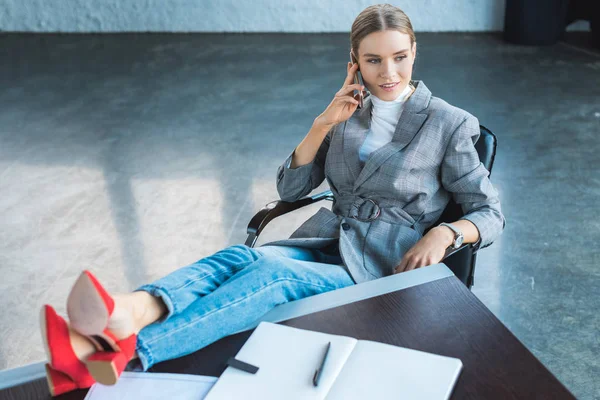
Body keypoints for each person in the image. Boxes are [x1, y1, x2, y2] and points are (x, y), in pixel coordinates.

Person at [39, 4, 505, 396]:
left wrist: (446, 232)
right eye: (374, 60)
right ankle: (123, 314)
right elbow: (290, 191)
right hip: (327, 242)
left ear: (414, 51)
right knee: (236, 258)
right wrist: (323, 123)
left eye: (400, 58)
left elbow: (489, 213)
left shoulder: (449, 123)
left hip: (382, 267)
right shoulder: (347, 114)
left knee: (272, 274)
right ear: (354, 62)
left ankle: (128, 351)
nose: (389, 73)